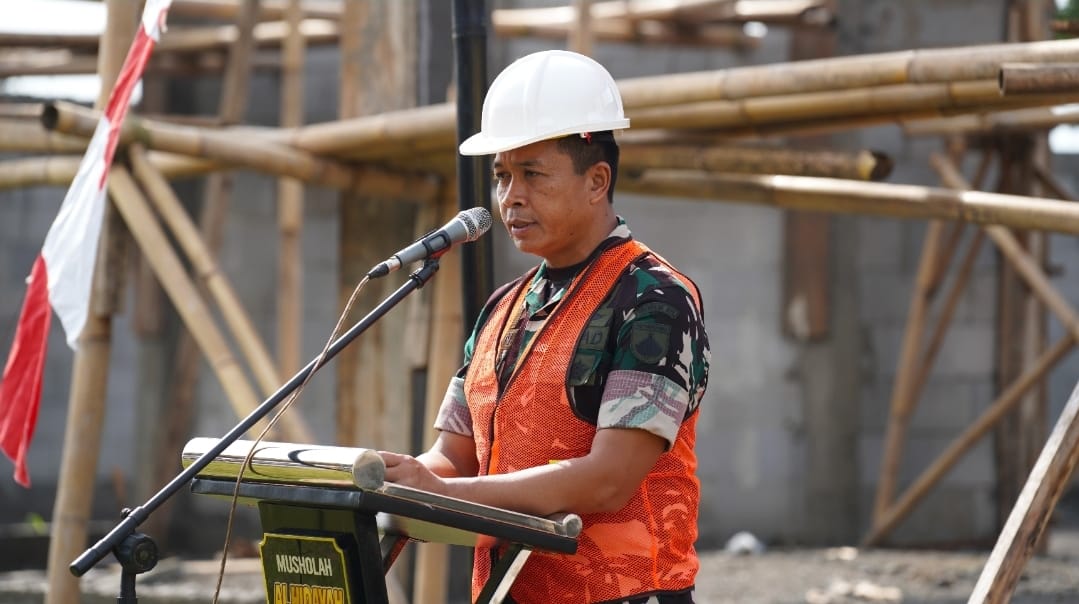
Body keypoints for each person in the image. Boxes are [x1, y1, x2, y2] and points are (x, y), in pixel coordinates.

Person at [379, 50, 710, 604]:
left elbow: (608, 480)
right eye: (502, 176)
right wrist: (391, 480)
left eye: (532, 174)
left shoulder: (654, 299)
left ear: (597, 181)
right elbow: (455, 459)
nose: (511, 197)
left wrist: (441, 492)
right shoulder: (502, 308)